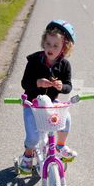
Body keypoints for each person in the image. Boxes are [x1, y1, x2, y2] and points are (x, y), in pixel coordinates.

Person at [20, 19, 77, 174]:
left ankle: (60, 145)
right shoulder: (34, 61)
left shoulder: (64, 65)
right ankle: (28, 154)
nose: (50, 48)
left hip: (50, 104)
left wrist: (61, 86)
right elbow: (25, 83)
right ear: (43, 43)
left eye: (55, 46)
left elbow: (68, 86)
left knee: (66, 119)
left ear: (64, 48)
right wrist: (38, 82)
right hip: (32, 104)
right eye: (48, 44)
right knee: (33, 138)